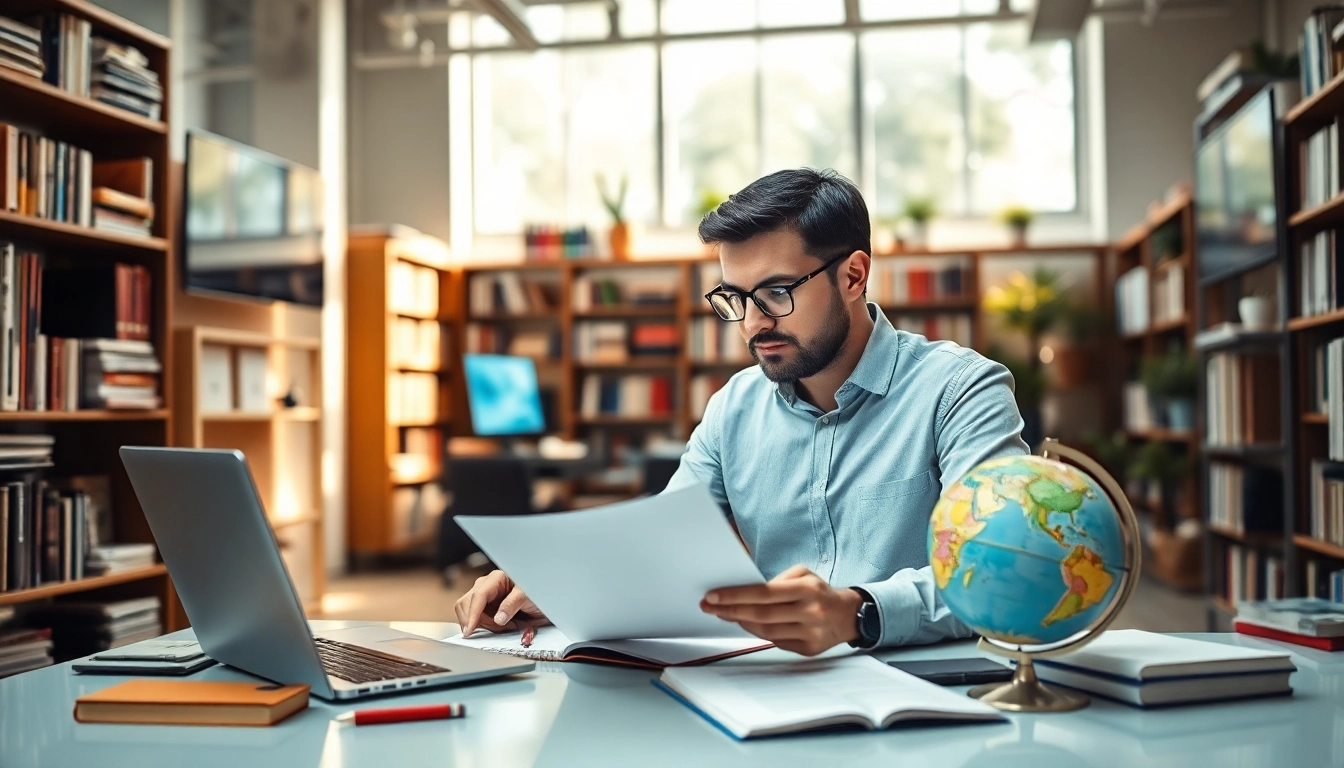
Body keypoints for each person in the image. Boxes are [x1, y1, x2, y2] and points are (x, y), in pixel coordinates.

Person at [455, 168, 1028, 655]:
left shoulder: (961, 390)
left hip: (933, 686)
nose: (754, 324)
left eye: (777, 293)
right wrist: (558, 583)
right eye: (736, 298)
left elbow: (1004, 570)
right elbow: (661, 545)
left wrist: (856, 613)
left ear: (853, 275)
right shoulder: (733, 408)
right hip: (773, 689)